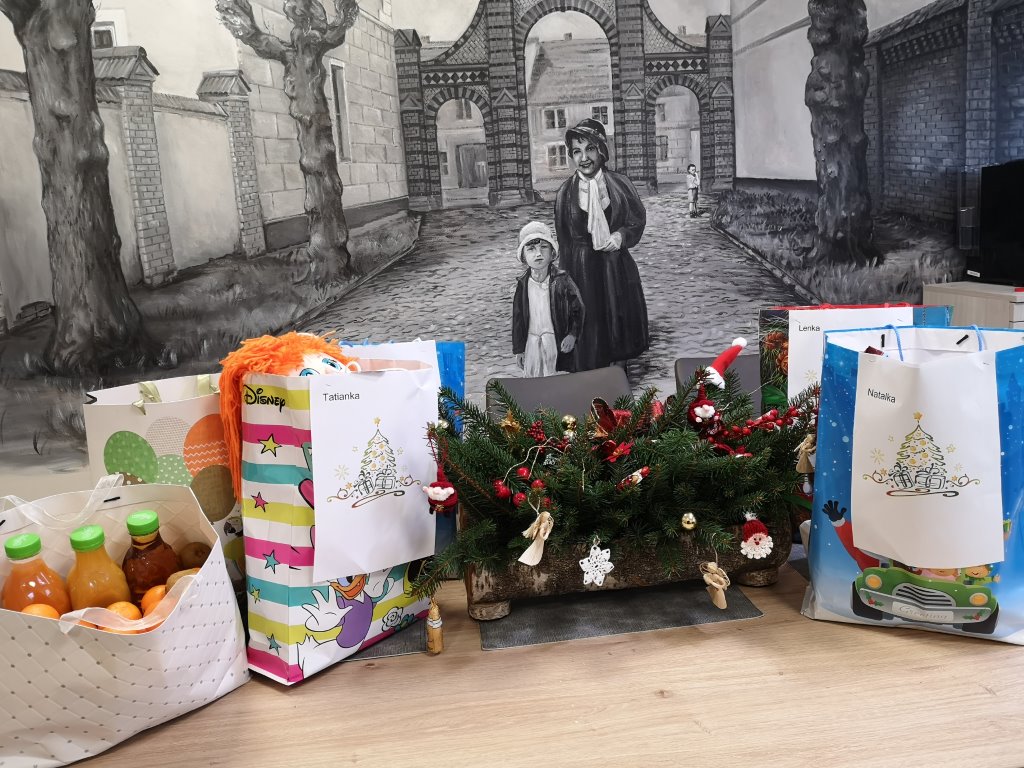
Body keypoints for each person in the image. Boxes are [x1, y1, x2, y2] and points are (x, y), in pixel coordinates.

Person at [553, 118, 649, 372]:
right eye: (577, 151)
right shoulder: (565, 193)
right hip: (582, 270)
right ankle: (590, 376)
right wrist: (564, 281)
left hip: (615, 267)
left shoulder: (619, 184)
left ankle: (618, 373)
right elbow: (564, 239)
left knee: (617, 320)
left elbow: (637, 219)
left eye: (590, 149)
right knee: (589, 324)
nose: (584, 158)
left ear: (602, 151)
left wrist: (620, 236)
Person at [512, 221, 585, 378]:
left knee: (556, 379)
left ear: (552, 252)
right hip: (532, 342)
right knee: (533, 380)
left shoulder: (562, 280)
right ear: (523, 256)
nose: (538, 254)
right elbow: (518, 319)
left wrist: (572, 335)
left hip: (555, 340)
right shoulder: (523, 284)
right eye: (531, 249)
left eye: (543, 247)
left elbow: (578, 309)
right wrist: (519, 349)